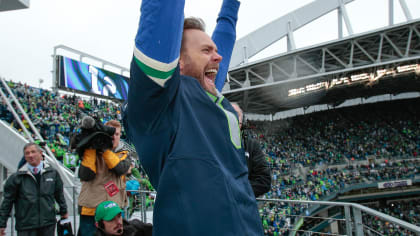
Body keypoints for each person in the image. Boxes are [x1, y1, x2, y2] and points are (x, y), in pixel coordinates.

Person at [124, 0, 264, 235]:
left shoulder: (208, 96)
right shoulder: (159, 101)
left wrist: (231, 5)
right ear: (176, 62)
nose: (218, 57)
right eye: (206, 51)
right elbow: (163, 10)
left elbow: (225, 35)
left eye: (216, 50)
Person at [0, 142, 68, 236]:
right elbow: (7, 201)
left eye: (33, 152)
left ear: (40, 153)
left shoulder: (52, 173)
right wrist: (2, 223)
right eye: (27, 153)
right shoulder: (17, 177)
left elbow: (59, 194)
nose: (30, 155)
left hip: (47, 224)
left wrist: (64, 211)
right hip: (26, 226)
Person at [78, 120, 132, 236]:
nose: (113, 137)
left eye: (117, 134)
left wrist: (105, 150)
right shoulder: (91, 151)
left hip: (114, 212)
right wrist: (92, 147)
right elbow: (86, 174)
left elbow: (120, 169)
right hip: (91, 210)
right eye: (111, 133)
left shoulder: (124, 154)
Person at [231, 102, 271, 197]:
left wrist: (235, 192)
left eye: (236, 113)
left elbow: (264, 181)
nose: (232, 116)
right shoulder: (211, 144)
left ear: (242, 121)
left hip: (242, 207)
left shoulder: (252, 145)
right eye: (228, 112)